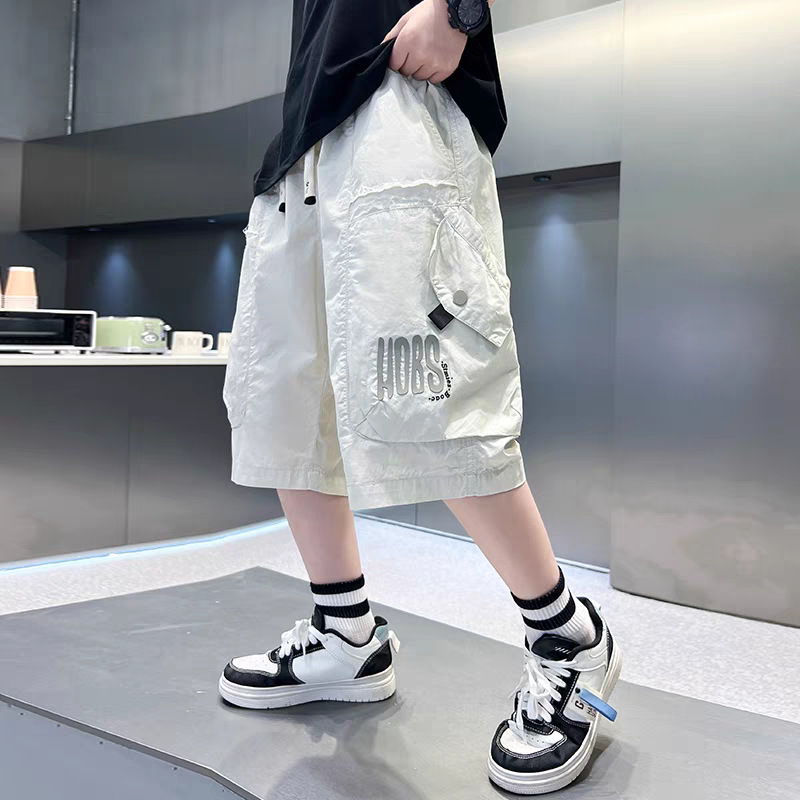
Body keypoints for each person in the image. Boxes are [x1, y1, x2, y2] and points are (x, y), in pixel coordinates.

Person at [218, 0, 621, 793]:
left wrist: (457, 9)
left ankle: (569, 636)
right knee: (283, 407)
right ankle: (347, 633)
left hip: (401, 100)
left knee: (438, 400)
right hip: (304, 137)